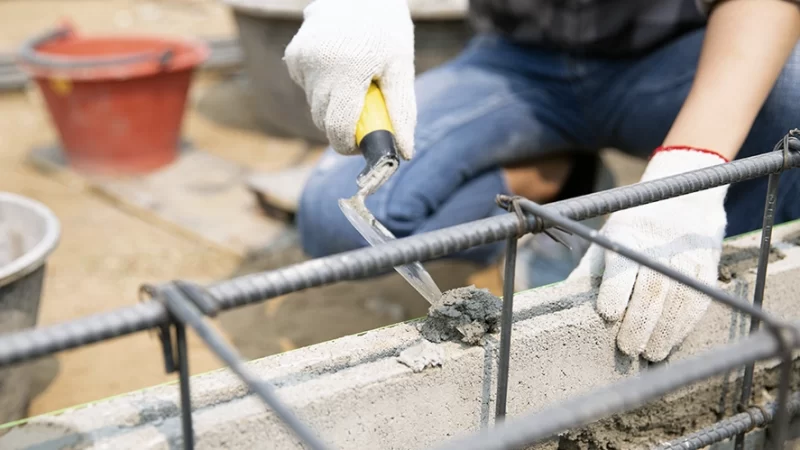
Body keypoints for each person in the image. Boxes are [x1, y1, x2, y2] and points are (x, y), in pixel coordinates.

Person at [283, 0, 800, 362]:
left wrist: (691, 169)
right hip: (518, 64)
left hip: (673, 54)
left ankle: (720, 315)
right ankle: (559, 178)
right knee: (332, 218)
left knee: (792, 97)